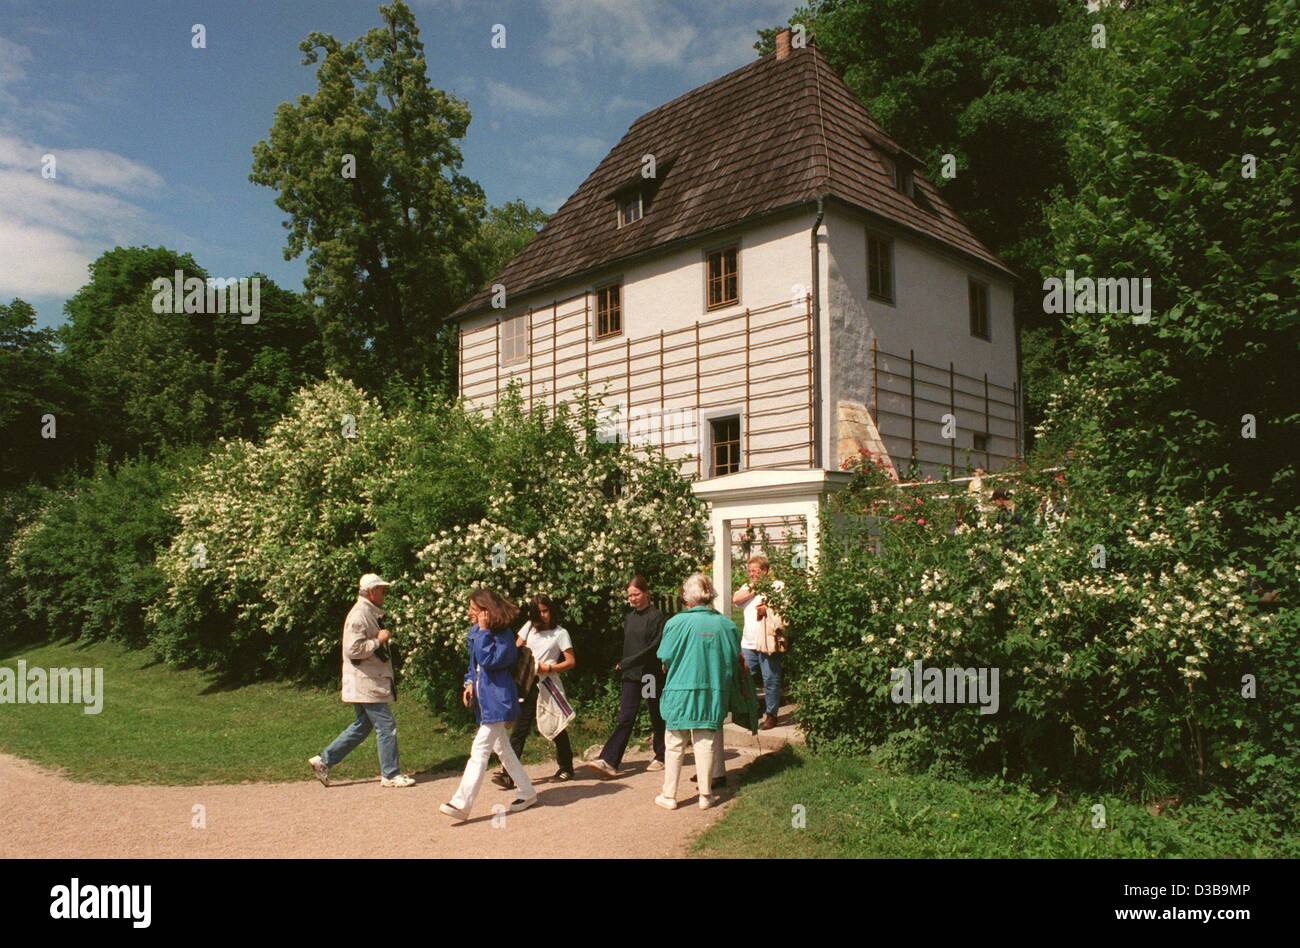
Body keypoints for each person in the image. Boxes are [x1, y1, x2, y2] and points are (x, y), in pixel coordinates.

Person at [439, 588, 538, 821]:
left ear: (486, 611)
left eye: (474, 609)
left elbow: (489, 661)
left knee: (479, 749)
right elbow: (474, 665)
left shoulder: (503, 636)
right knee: (502, 748)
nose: (469, 613)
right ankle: (527, 791)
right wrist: (469, 683)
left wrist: (483, 632)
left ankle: (461, 804)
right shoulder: (476, 632)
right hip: (485, 702)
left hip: (499, 701)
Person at [308, 573, 415, 788]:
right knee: (386, 725)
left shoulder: (368, 612)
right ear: (371, 592)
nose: (384, 593)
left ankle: (323, 760)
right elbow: (353, 649)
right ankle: (391, 774)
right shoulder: (359, 615)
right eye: (381, 590)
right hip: (366, 681)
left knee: (363, 725)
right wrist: (378, 641)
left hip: (367, 680)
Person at [654, 572, 740, 811]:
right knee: (704, 742)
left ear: (688, 598)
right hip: (711, 691)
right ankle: (706, 795)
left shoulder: (675, 623)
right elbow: (733, 657)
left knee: (674, 743)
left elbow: (665, 657)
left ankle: (669, 796)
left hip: (679, 690)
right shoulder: (726, 624)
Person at [492, 594, 576, 789]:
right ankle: (508, 774)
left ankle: (566, 767)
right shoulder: (529, 627)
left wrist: (549, 668)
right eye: (538, 612)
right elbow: (514, 650)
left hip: (546, 684)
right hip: (526, 684)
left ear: (551, 610)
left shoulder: (560, 633)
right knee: (519, 729)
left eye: (545, 611)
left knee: (554, 726)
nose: (543, 615)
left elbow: (571, 661)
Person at [588, 575, 667, 778]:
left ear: (646, 593)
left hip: (649, 674)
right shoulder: (629, 617)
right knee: (625, 717)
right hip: (631, 676)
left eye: (636, 594)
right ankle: (610, 760)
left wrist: (626, 663)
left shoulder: (656, 617)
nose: (632, 598)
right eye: (630, 595)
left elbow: (653, 648)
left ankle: (661, 755)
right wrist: (626, 665)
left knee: (655, 713)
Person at [733, 554, 786, 730]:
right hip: (748, 643)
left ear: (765, 570)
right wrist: (755, 588)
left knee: (770, 679)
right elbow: (736, 600)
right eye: (750, 571)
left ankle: (771, 715)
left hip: (768, 641)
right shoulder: (747, 587)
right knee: (745, 677)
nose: (752, 574)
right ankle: (752, 710)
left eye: (755, 571)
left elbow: (783, 609)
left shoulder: (777, 586)